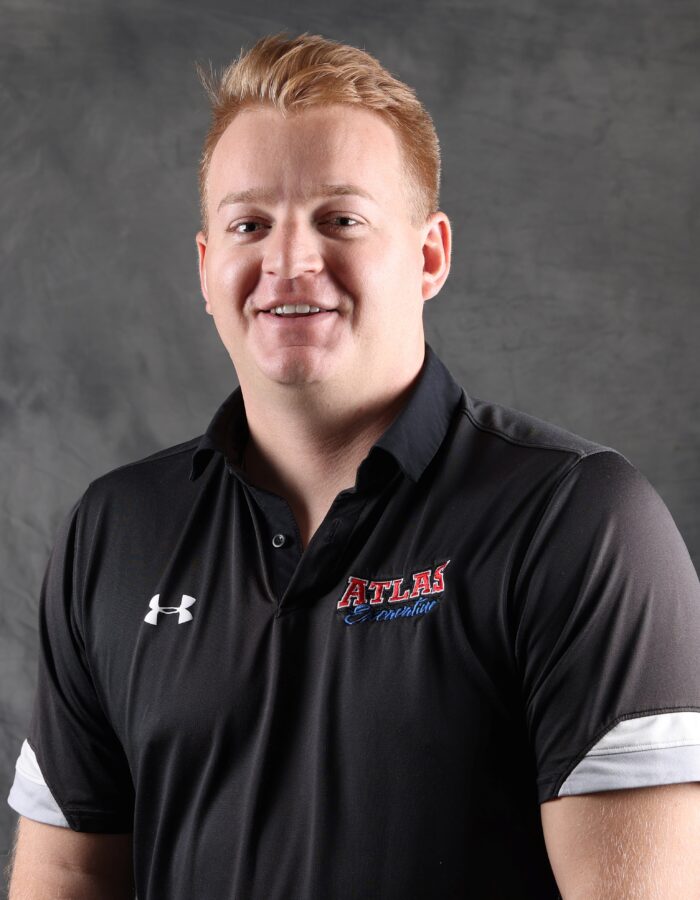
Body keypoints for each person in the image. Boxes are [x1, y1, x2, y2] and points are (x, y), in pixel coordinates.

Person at [6, 31, 700, 900]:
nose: (289, 263)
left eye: (341, 219)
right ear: (205, 265)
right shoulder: (114, 531)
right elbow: (64, 877)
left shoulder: (579, 521)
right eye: (249, 224)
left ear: (429, 256)